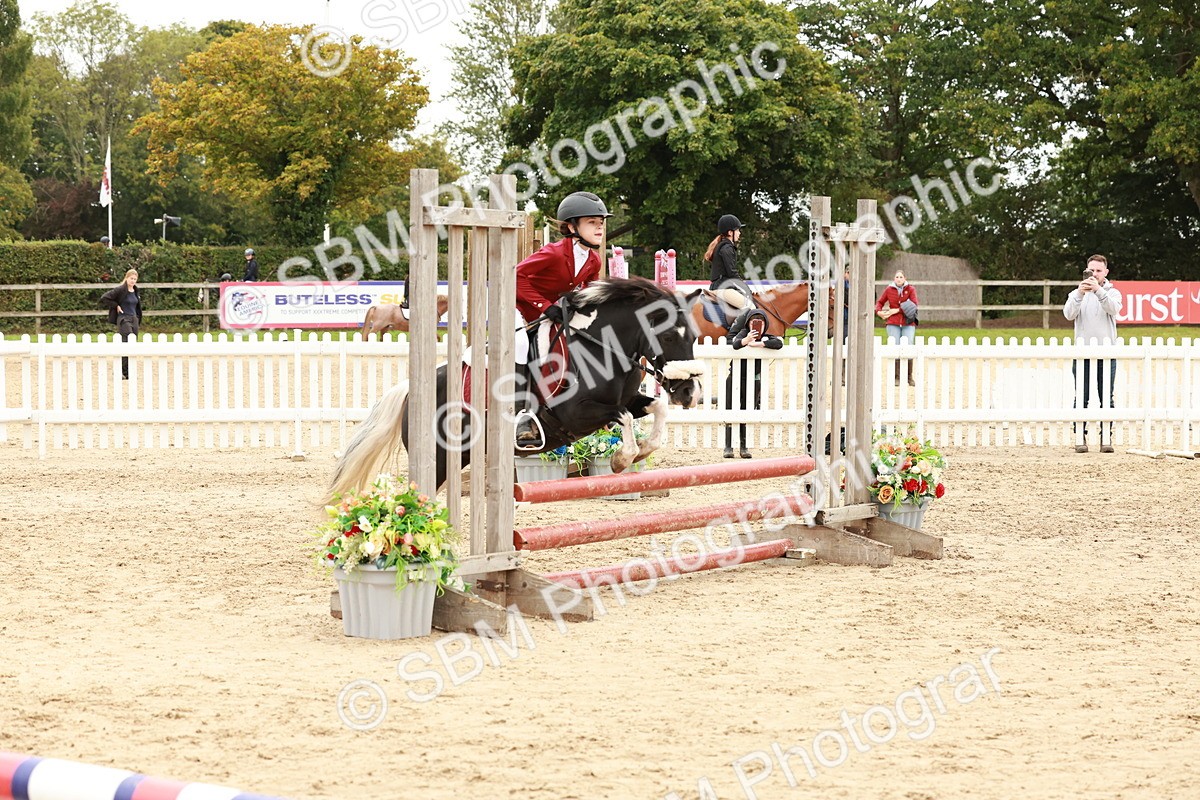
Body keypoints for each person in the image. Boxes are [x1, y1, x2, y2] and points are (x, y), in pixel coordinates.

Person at [512, 191, 610, 449]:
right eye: (592, 222)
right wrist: (544, 307)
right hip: (517, 307)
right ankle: (521, 414)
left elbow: (590, 291)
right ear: (571, 226)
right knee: (521, 345)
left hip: (549, 314)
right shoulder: (554, 253)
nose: (599, 226)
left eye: (601, 221)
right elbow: (515, 277)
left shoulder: (593, 259)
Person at [1063, 254, 1122, 453]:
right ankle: (1080, 437)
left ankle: (1106, 438)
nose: (1094, 274)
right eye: (1091, 270)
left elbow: (1114, 309)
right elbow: (1068, 314)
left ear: (1106, 272)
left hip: (1107, 353)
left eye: (1098, 271)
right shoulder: (1076, 293)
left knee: (1107, 397)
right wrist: (1080, 294)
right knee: (1082, 396)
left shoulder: (1114, 293)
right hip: (1083, 354)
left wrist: (1098, 291)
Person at [723, 308, 782, 459]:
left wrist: (761, 344)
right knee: (730, 410)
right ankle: (728, 446)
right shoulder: (744, 334)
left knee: (747, 411)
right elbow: (735, 344)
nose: (757, 326)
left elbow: (779, 343)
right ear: (748, 323)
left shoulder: (766, 337)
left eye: (760, 323)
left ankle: (744, 445)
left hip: (753, 379)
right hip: (735, 377)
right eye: (753, 323)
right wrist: (746, 340)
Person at [875, 269, 919, 386]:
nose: (899, 279)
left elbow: (914, 305)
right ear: (894, 279)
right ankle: (897, 376)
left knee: (908, 346)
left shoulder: (911, 289)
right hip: (893, 323)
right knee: (895, 347)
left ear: (905, 279)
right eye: (897, 277)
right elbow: (879, 302)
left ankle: (909, 376)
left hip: (908, 322)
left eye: (901, 277)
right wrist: (878, 311)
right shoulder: (889, 289)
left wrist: (897, 310)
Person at [99, 269, 143, 380]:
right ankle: (122, 371)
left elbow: (137, 306)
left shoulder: (136, 291)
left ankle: (129, 371)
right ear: (127, 278)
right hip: (124, 318)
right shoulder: (120, 290)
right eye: (131, 278)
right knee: (126, 343)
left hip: (134, 319)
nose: (133, 281)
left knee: (132, 345)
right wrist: (116, 305)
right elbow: (104, 298)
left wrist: (137, 318)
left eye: (135, 279)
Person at [706, 214, 754, 312]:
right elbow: (732, 273)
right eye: (737, 230)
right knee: (750, 307)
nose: (739, 233)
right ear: (730, 232)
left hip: (720, 287)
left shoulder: (722, 246)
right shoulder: (727, 248)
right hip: (723, 289)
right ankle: (736, 328)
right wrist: (747, 289)